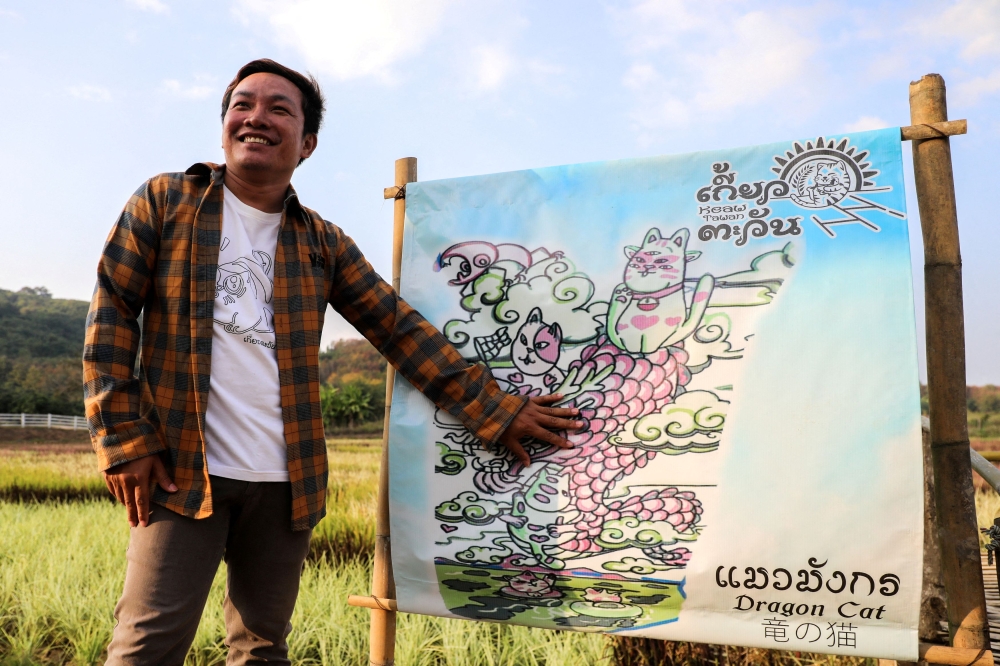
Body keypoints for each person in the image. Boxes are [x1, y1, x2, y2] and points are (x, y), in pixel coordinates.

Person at [83, 58, 582, 665]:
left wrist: (496, 411)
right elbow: (112, 310)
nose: (255, 117)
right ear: (224, 126)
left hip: (287, 485)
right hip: (181, 473)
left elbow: (398, 329)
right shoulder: (166, 200)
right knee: (146, 647)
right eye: (242, 105)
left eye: (278, 109)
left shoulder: (322, 241)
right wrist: (124, 441)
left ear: (307, 143)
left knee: (262, 649)